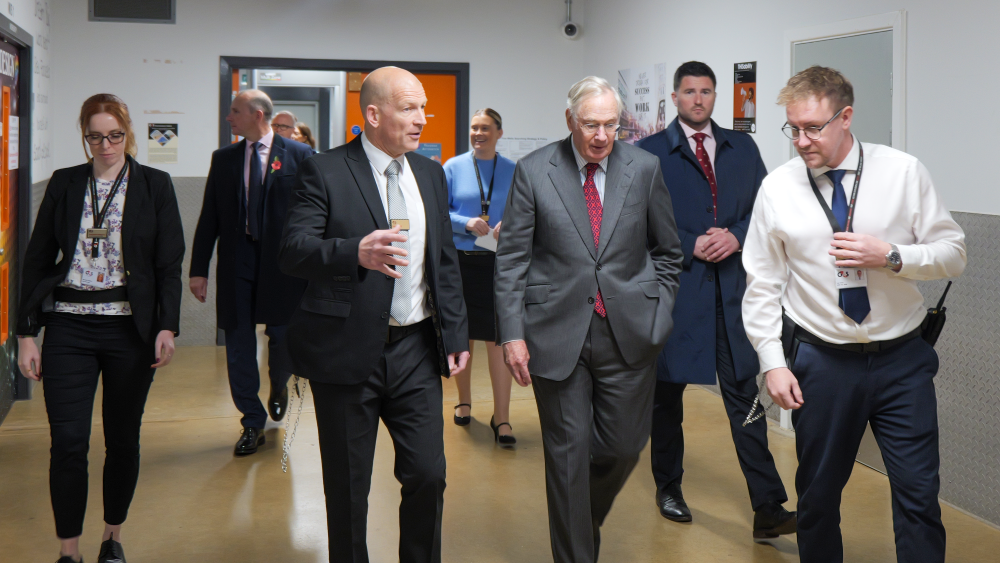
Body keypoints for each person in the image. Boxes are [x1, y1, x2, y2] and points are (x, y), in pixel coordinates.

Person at [742, 66, 966, 562]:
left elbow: (954, 253)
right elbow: (761, 285)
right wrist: (772, 362)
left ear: (845, 117)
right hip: (821, 364)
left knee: (918, 498)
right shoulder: (777, 188)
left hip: (902, 363)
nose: (801, 141)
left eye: (813, 128)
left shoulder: (903, 173)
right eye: (793, 128)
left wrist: (892, 255)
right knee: (818, 501)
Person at [278, 67, 469, 563]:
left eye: (423, 108)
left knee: (428, 475)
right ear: (373, 114)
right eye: (409, 108)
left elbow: (443, 262)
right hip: (344, 353)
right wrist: (351, 252)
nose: (422, 119)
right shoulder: (325, 169)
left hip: (416, 350)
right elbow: (292, 250)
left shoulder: (429, 173)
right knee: (347, 489)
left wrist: (456, 334)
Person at [495, 76, 683, 562]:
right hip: (555, 334)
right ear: (569, 121)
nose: (601, 136)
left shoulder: (644, 168)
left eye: (611, 126)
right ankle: (577, 551)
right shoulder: (535, 171)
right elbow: (512, 259)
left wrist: (659, 314)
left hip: (630, 331)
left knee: (623, 448)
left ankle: (581, 518)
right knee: (566, 456)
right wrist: (511, 335)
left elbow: (667, 251)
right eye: (591, 124)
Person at [17, 93, 184, 563]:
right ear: (85, 137)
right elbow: (36, 258)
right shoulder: (66, 183)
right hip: (68, 328)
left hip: (129, 332)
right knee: (68, 442)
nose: (105, 145)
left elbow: (169, 264)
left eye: (114, 135)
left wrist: (166, 327)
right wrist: (27, 332)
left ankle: (112, 537)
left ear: (127, 133)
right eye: (95, 136)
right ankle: (68, 550)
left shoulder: (155, 185)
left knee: (122, 438)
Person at [636, 61, 795, 539]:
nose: (699, 100)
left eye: (706, 91)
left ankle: (768, 505)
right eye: (689, 92)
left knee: (745, 399)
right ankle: (669, 486)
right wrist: (689, 244)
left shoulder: (742, 148)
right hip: (676, 297)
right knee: (666, 399)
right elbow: (633, 227)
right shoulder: (648, 154)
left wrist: (739, 236)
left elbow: (770, 212)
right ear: (675, 96)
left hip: (732, 297)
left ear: (715, 95)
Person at [190, 90, 313, 455]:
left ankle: (278, 385)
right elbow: (209, 215)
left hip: (283, 263)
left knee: (283, 337)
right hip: (237, 260)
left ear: (258, 115)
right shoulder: (224, 158)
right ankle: (251, 421)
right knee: (238, 342)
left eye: (235, 111)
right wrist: (199, 270)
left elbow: (313, 210)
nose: (229, 118)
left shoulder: (300, 155)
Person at [443, 108, 517, 443]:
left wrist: (509, 225)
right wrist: (466, 222)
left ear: (499, 132)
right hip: (461, 262)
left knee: (499, 340)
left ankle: (502, 418)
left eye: (485, 128)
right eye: (474, 128)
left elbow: (527, 210)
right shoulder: (453, 167)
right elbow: (438, 211)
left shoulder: (514, 170)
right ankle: (463, 401)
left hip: (499, 265)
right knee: (464, 337)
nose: (478, 133)